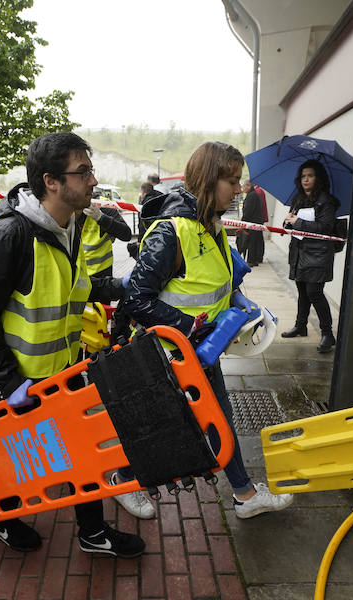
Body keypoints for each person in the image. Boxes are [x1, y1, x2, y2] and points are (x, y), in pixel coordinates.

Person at [0, 132, 145, 558]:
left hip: (62, 371)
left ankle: (93, 534)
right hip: (19, 383)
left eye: (91, 170)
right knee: (13, 461)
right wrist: (9, 384)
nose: (94, 181)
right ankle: (0, 517)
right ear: (51, 181)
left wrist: (122, 286)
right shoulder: (10, 236)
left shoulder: (69, 225)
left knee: (82, 454)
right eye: (83, 172)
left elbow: (71, 288)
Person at [123, 141, 294, 521]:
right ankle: (124, 477)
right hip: (170, 355)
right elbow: (136, 299)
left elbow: (214, 284)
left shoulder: (211, 225)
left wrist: (241, 307)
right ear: (206, 179)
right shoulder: (172, 232)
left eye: (238, 181)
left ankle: (244, 493)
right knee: (163, 427)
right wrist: (194, 328)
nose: (238, 189)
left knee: (218, 418)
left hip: (199, 352)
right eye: (231, 180)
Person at [280, 160, 339, 353]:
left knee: (314, 292)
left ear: (318, 178)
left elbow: (325, 228)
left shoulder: (326, 201)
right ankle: (301, 326)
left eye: (310, 176)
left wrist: (298, 222)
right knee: (303, 291)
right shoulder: (298, 199)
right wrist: (288, 223)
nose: (306, 179)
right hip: (299, 252)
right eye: (303, 176)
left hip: (318, 255)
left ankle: (328, 334)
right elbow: (292, 222)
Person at [78, 201, 131, 277]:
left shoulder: (104, 206)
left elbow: (126, 235)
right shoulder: (66, 207)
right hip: (76, 274)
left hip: (101, 274)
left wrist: (101, 218)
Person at [238, 179, 267, 266]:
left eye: (243, 186)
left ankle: (251, 261)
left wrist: (242, 223)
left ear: (248, 186)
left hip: (253, 223)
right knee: (255, 241)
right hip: (256, 222)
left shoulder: (252, 195)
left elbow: (248, 211)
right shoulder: (253, 194)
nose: (242, 188)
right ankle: (255, 259)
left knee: (251, 242)